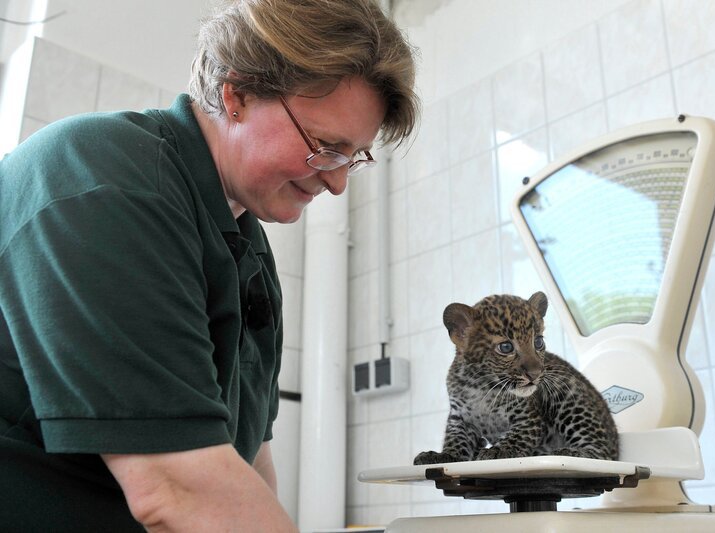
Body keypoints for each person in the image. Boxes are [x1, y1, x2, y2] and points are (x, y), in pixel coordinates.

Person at [0, 0, 419, 530]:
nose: (337, 182)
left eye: (353, 157)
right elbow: (178, 488)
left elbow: (247, 464)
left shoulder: (250, 255)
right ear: (237, 95)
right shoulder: (107, 179)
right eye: (324, 148)